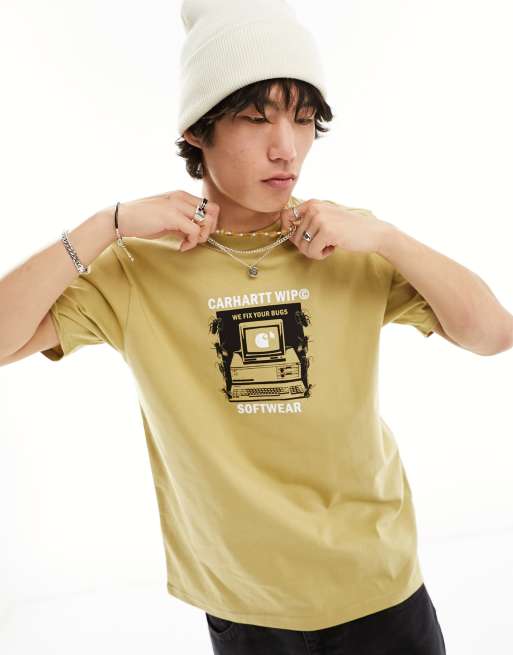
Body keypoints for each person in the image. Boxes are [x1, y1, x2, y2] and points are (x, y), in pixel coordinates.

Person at [2, 0, 512, 652]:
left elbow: (492, 333)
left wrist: (386, 237)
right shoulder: (136, 266)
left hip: (377, 586)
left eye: (302, 120)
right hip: (244, 606)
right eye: (256, 117)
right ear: (197, 129)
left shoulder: (345, 239)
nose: (286, 148)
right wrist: (106, 224)